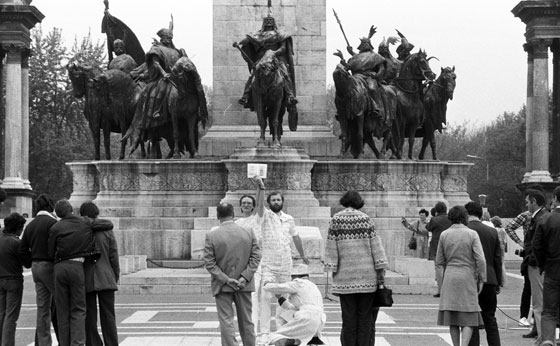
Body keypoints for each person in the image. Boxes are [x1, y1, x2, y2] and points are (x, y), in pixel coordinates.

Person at [324, 190, 388, 346]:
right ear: (359, 202)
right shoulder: (366, 219)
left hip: (344, 278)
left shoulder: (336, 220)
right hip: (367, 277)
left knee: (348, 318)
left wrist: (331, 268)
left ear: (344, 201)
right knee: (365, 317)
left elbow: (331, 248)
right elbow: (376, 247)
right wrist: (381, 270)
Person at [48, 199, 113, 346]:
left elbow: (50, 251)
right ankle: (78, 343)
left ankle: (64, 343)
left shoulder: (55, 227)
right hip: (77, 266)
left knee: (62, 309)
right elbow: (107, 224)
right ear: (71, 209)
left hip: (59, 268)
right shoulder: (84, 222)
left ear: (58, 214)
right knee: (78, 309)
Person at [203, 202, 261, 346]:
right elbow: (256, 257)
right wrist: (245, 276)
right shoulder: (249, 231)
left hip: (222, 285)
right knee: (247, 320)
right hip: (244, 284)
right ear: (233, 214)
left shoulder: (212, 235)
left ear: (218, 215)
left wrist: (226, 279)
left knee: (226, 320)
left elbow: (210, 263)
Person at [257, 191, 308, 344]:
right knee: (265, 296)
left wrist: (303, 254)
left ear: (282, 202)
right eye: (273, 200)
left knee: (284, 298)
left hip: (285, 263)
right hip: (268, 263)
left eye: (279, 199)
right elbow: (259, 206)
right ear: (269, 202)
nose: (276, 202)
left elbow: (296, 237)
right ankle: (265, 331)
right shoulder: (265, 216)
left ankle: (282, 329)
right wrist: (260, 188)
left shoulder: (289, 219)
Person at [436, 205, 486, 346]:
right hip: (467, 275)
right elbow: (480, 259)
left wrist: (441, 283)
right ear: (465, 217)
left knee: (453, 318)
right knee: (469, 315)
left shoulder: (444, 234)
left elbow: (439, 262)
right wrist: (482, 278)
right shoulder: (471, 234)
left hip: (450, 275)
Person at [19, 194, 59, 346]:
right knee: (62, 303)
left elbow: (22, 249)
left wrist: (30, 262)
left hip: (36, 266)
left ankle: (43, 342)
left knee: (43, 307)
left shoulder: (31, 225)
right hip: (50, 265)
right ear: (50, 206)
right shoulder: (53, 223)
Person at [233, 14, 297, 108]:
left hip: (277, 57)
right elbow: (248, 39)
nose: (269, 24)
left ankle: (290, 95)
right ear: (264, 23)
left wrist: (274, 52)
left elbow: (283, 48)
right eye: (267, 22)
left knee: (285, 73)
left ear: (274, 23)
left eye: (271, 22)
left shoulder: (280, 34)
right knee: (252, 75)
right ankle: (245, 96)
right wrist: (239, 43)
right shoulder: (259, 34)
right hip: (262, 58)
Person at [333, 25, 389, 124]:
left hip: (369, 77)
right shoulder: (356, 57)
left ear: (370, 45)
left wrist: (377, 75)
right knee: (345, 89)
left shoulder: (375, 56)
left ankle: (376, 107)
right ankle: (342, 109)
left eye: (366, 43)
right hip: (355, 78)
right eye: (363, 44)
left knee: (372, 88)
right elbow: (347, 67)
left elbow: (381, 69)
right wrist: (342, 58)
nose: (365, 45)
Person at [81, 202, 120, 346]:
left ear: (83, 215)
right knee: (108, 315)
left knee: (89, 316)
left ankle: (94, 343)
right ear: (96, 213)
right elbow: (113, 255)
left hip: (87, 276)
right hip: (106, 275)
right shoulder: (107, 230)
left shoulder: (82, 231)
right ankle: (112, 343)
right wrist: (115, 275)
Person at [464, 201, 502, 346]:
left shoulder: (466, 231)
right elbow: (497, 259)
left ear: (467, 214)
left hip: (471, 280)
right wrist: (498, 281)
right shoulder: (492, 231)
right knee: (490, 318)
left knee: (472, 319)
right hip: (490, 278)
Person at [234, 177, 267, 338]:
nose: (246, 205)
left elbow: (261, 205)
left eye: (249, 203)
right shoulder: (237, 222)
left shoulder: (257, 219)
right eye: (244, 203)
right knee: (248, 299)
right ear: (240, 206)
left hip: (256, 262)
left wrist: (260, 188)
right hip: (242, 263)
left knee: (259, 297)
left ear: (252, 206)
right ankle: (248, 331)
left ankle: (257, 331)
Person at [263, 270, 326, 346]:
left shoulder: (298, 283)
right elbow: (295, 308)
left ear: (295, 276)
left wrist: (267, 284)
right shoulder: (313, 286)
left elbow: (279, 287)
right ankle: (310, 340)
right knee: (307, 338)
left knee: (275, 337)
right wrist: (280, 298)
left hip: (306, 317)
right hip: (320, 321)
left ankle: (294, 341)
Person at [521, 189, 549, 343]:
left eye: (527, 202)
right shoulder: (540, 216)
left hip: (536, 264)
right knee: (538, 301)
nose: (526, 204)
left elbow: (536, 243)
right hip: (537, 263)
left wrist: (532, 259)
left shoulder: (540, 218)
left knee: (539, 303)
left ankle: (542, 337)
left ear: (534, 202)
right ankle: (539, 332)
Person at [533, 186, 560, 346]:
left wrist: (543, 264)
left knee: (549, 310)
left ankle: (548, 339)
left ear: (555, 198)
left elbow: (537, 246)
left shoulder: (546, 219)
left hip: (552, 269)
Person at [0, 213, 30, 346]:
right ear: (18, 228)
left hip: (0, 278)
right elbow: (27, 262)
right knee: (11, 316)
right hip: (14, 279)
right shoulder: (16, 242)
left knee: (1, 314)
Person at [503, 209, 532, 329]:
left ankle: (525, 316)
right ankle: (526, 316)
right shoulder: (530, 215)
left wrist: (521, 242)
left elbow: (509, 227)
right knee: (530, 287)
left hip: (530, 252)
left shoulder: (526, 215)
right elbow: (509, 227)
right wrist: (521, 242)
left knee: (528, 288)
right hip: (532, 252)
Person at [427, 201, 452, 297]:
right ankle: (449, 289)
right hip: (449, 244)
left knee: (439, 267)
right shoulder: (450, 219)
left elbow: (428, 228)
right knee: (448, 267)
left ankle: (441, 290)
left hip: (437, 245)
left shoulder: (434, 219)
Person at [490, 216, 508, 288]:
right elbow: (505, 241)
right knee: (502, 264)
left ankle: (500, 280)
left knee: (498, 265)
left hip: (497, 248)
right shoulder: (503, 230)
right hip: (502, 248)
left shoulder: (495, 230)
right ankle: (503, 281)